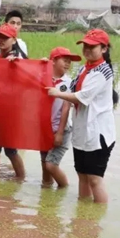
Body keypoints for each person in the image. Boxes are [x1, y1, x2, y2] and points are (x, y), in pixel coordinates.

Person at [47, 29, 116, 204]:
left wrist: (57, 93)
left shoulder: (103, 72)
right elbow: (72, 88)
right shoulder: (85, 68)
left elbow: (82, 97)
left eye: (92, 46)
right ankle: (83, 216)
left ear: (104, 49)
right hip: (82, 132)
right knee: (82, 176)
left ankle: (97, 219)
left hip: (98, 134)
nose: (87, 49)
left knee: (94, 178)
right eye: (85, 45)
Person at [0, 23, 26, 179]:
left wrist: (16, 67)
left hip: (12, 111)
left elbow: (28, 81)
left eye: (5, 38)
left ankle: (21, 178)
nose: (0, 40)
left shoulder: (18, 59)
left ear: (14, 40)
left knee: (10, 150)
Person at [40, 47, 80, 187]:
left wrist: (60, 133)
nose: (68, 64)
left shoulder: (68, 83)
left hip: (61, 129)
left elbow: (65, 108)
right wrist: (40, 65)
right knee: (44, 162)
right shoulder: (43, 77)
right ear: (53, 61)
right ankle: (46, 193)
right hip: (45, 128)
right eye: (65, 60)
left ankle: (63, 190)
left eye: (69, 62)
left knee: (51, 165)